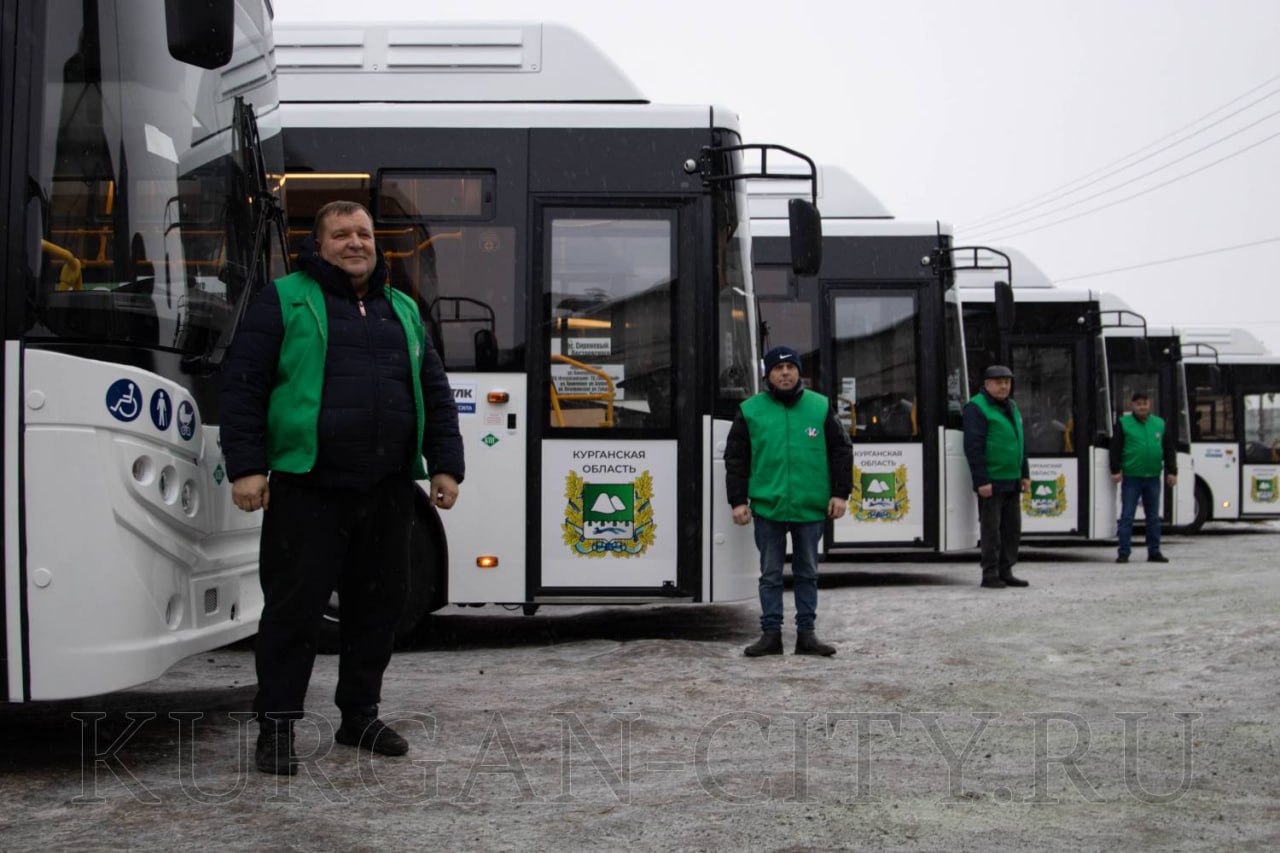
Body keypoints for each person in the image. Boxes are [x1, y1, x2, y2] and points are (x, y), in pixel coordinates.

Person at [220, 200, 464, 775]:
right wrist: (247, 467)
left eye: (364, 233)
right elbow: (243, 384)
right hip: (309, 487)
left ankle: (360, 717)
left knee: (378, 610)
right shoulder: (284, 299)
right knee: (293, 613)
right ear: (319, 243)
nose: (355, 242)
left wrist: (446, 465)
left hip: (385, 489)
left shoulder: (401, 307)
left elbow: (435, 391)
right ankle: (277, 727)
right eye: (341, 234)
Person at [725, 346, 852, 657]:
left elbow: (841, 451)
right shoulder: (750, 410)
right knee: (770, 574)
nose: (784, 373)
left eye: (790, 367)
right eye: (778, 368)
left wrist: (840, 492)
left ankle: (806, 634)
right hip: (768, 507)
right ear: (768, 374)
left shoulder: (820, 407)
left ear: (798, 372)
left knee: (807, 571)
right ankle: (771, 634)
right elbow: (736, 460)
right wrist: (738, 501)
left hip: (810, 507)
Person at [963, 364, 1031, 589]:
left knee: (1011, 529)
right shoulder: (976, 407)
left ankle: (1006, 570)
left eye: (1007, 382)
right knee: (992, 530)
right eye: (999, 382)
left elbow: (1019, 441)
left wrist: (1025, 473)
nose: (1004, 386)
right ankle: (990, 573)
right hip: (992, 479)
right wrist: (981, 480)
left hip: (1012, 478)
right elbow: (973, 446)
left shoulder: (1011, 406)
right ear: (987, 384)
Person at [1110, 390, 1176, 563]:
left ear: (1150, 405)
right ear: (1132, 406)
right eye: (1138, 404)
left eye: (1145, 403)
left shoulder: (1159, 424)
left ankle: (1154, 552)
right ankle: (1123, 552)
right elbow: (1115, 448)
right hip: (1132, 477)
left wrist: (1172, 471)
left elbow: (1169, 449)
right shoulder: (1124, 423)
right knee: (1127, 516)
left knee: (1153, 517)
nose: (1142, 407)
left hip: (1153, 477)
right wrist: (1115, 469)